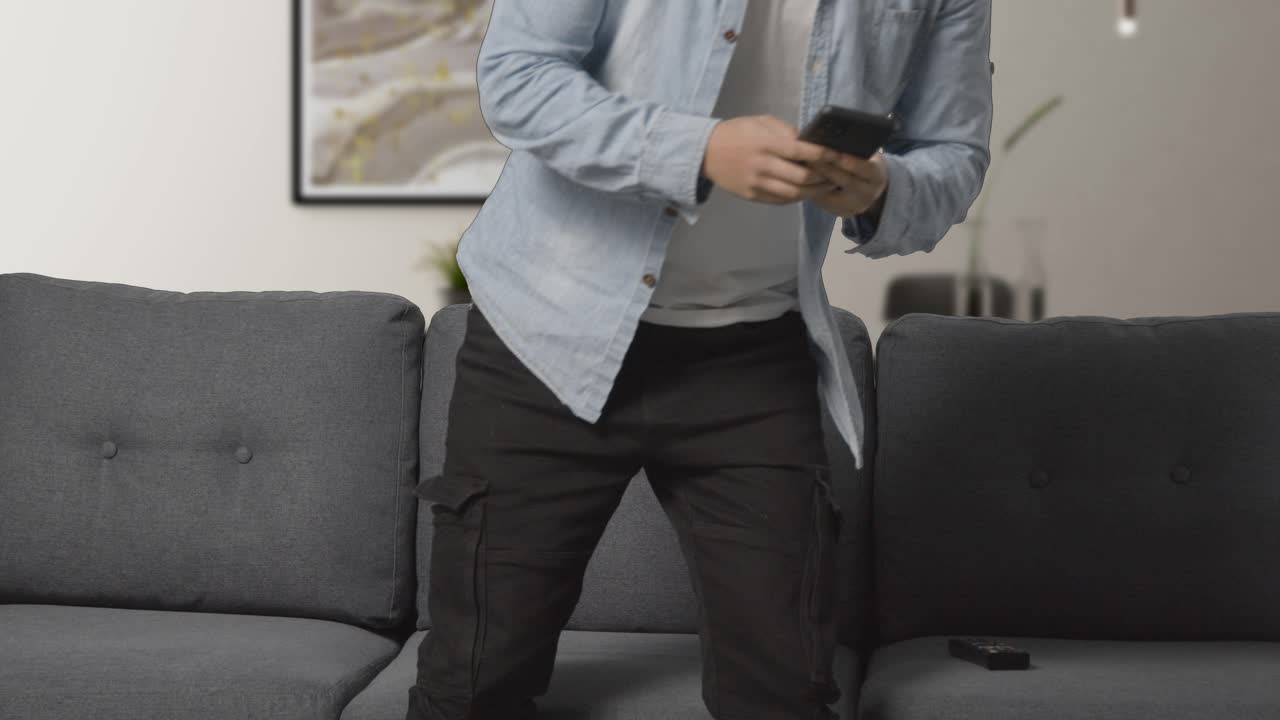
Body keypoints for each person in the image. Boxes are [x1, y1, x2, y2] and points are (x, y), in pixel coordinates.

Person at [406, 1, 992, 718]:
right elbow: (517, 77)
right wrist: (699, 150)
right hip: (547, 334)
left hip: (754, 354)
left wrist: (884, 190)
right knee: (473, 682)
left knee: (785, 694)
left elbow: (954, 152)